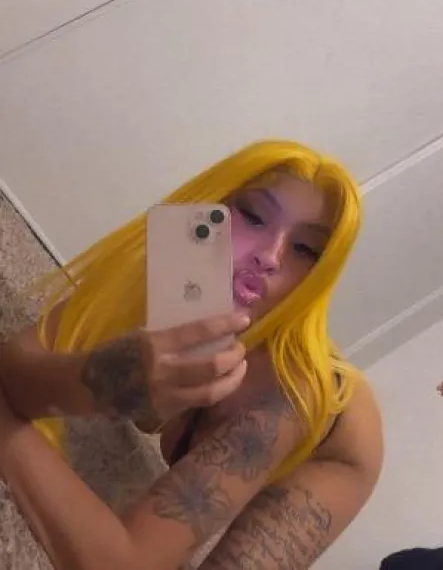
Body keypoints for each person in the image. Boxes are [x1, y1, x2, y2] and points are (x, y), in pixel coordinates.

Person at [0, 139, 383, 570]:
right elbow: (17, 366)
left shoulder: (292, 392)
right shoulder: (181, 261)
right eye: (253, 216)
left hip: (330, 445)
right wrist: (100, 380)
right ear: (213, 203)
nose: (270, 256)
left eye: (306, 250)